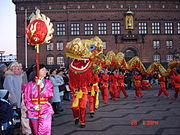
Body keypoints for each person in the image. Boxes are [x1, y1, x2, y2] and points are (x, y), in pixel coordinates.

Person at [24, 64, 54, 135]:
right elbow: (26, 99)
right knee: (35, 131)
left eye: (45, 70)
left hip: (45, 109)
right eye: (43, 70)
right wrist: (33, 107)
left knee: (45, 130)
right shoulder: (30, 85)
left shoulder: (48, 83)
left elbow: (50, 95)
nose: (45, 71)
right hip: (33, 111)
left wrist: (42, 87)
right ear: (37, 71)